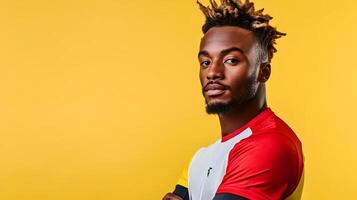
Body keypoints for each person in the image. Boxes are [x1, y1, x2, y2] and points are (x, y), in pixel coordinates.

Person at [163, 0, 304, 199]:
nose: (212, 72)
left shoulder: (271, 145)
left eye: (231, 60)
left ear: (263, 72)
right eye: (205, 62)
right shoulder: (203, 157)